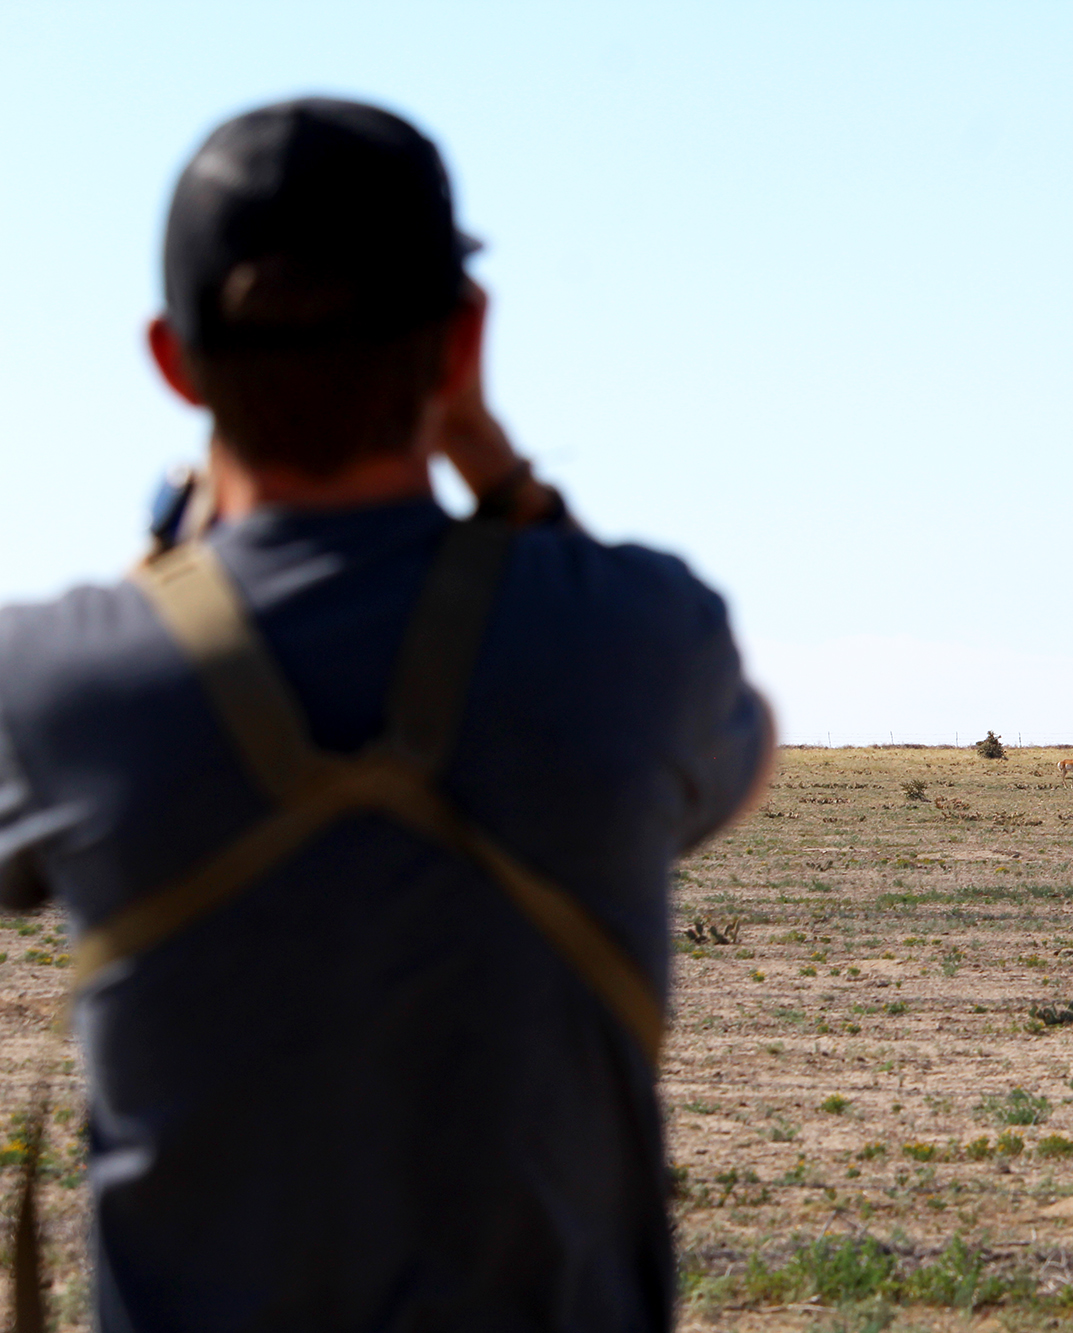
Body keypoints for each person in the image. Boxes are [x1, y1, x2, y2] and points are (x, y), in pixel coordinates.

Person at [0, 98, 772, 1330]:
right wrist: (503, 476)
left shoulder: (52, 679)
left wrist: (172, 564)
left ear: (172, 362)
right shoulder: (638, 635)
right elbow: (740, 750)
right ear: (463, 344)